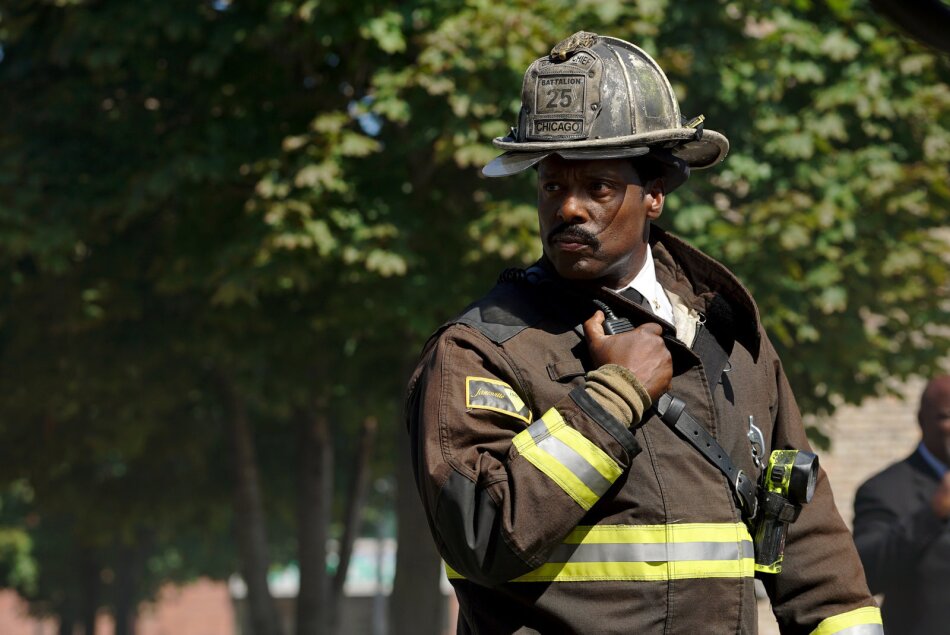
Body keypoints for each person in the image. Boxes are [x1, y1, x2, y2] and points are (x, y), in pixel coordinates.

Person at [405, 31, 882, 634]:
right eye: (552, 186)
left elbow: (808, 543)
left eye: (598, 188)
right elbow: (477, 536)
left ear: (654, 194)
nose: (569, 208)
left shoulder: (728, 337)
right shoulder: (484, 349)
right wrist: (612, 400)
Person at [853, 375, 950, 634]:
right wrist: (932, 513)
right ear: (922, 420)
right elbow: (865, 574)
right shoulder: (884, 489)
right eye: (947, 417)